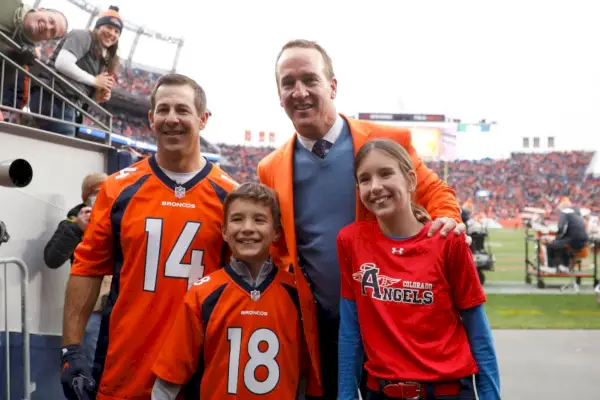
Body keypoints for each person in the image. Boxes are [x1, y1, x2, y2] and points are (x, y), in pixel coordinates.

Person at [257, 39, 468, 399]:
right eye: (288, 83)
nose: (300, 92)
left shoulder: (387, 140)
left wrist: (448, 219)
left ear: (333, 86)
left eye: (310, 79)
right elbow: (280, 247)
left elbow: (435, 193)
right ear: (279, 96)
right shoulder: (271, 168)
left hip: (390, 317)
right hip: (322, 324)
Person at [59, 73, 239, 400]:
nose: (172, 118)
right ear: (151, 118)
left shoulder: (231, 196)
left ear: (203, 119)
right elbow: (86, 269)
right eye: (163, 109)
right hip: (125, 365)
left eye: (182, 110)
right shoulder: (118, 188)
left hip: (200, 368)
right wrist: (71, 350)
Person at [337, 139, 500, 400]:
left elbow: (478, 331)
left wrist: (491, 396)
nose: (376, 186)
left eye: (386, 173)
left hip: (447, 392)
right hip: (380, 392)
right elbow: (350, 330)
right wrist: (345, 395)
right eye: (365, 179)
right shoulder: (350, 241)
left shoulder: (448, 241)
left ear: (411, 180)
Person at [151, 182, 322, 399]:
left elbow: (305, 379)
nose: (247, 228)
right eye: (237, 219)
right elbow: (168, 381)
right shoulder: (202, 294)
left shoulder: (297, 294)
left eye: (259, 219)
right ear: (224, 231)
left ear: (276, 232)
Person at [43, 172, 112, 371]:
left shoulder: (120, 219)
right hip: (91, 309)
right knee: (89, 366)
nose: (104, 196)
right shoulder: (72, 224)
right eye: (98, 192)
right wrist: (77, 230)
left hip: (118, 306)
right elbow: (52, 258)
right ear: (87, 197)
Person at [30, 5, 121, 136]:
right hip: (53, 96)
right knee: (65, 147)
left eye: (117, 31)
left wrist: (97, 96)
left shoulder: (104, 58)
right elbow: (62, 63)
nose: (112, 33)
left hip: (67, 103)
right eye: (109, 27)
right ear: (98, 26)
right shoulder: (83, 36)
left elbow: (82, 88)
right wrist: (95, 81)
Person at [0, 0, 68, 108]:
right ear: (40, 10)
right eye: (51, 20)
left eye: (52, 32)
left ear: (47, 39)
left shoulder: (22, 56)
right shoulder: (10, 3)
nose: (48, 27)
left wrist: (16, 61)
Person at [540, 197, 589, 274]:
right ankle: (564, 266)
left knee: (549, 244)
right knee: (561, 244)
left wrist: (556, 239)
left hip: (573, 240)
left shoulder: (564, 212)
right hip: (583, 241)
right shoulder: (577, 212)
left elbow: (561, 228)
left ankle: (551, 267)